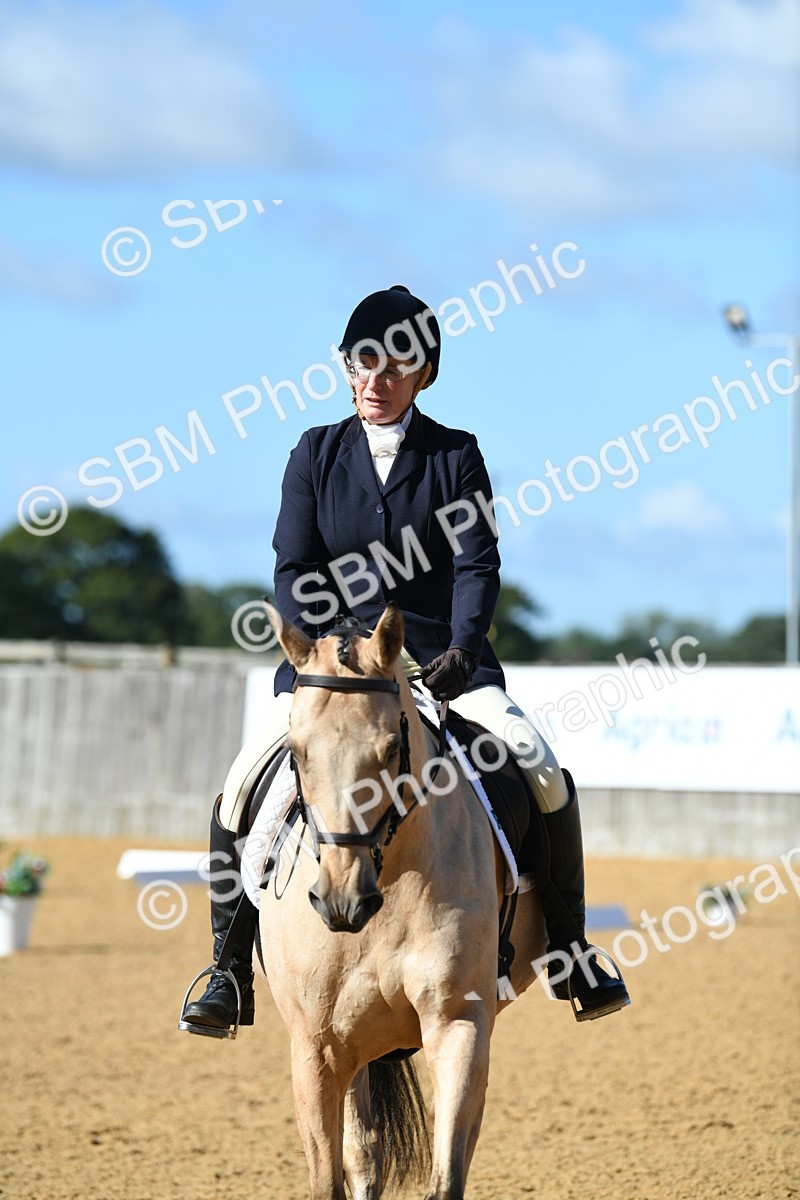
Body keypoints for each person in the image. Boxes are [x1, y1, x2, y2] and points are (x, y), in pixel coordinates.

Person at [180, 285, 630, 1035]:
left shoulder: (455, 455)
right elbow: (294, 569)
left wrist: (459, 647)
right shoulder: (315, 453)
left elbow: (476, 565)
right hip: (332, 673)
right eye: (363, 363)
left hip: (439, 666)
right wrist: (332, 651)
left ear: (424, 374)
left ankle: (573, 950)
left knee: (540, 765)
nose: (376, 380)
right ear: (345, 366)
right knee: (238, 787)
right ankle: (226, 968)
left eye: (395, 366)